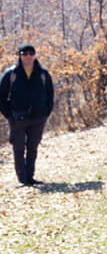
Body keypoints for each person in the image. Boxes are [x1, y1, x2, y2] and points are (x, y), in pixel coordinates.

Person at [0, 43, 54, 186]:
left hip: (38, 117)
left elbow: (50, 95)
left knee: (32, 148)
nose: (28, 56)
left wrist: (45, 113)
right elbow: (1, 97)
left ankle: (30, 177)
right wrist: (9, 115)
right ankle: (22, 179)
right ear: (19, 55)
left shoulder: (42, 74)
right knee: (18, 148)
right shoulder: (11, 74)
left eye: (31, 53)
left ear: (35, 55)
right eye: (24, 54)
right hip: (17, 118)